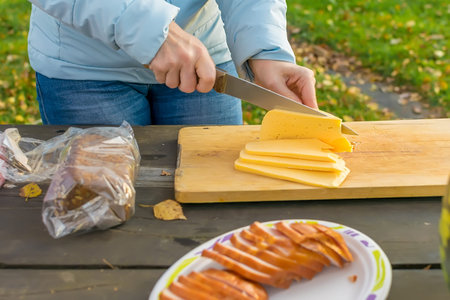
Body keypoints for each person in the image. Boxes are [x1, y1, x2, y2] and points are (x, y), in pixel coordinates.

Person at [27, 0, 318, 126]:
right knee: (101, 212)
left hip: (205, 64)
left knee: (215, 209)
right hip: (83, 71)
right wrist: (147, 28)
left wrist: (265, 51)